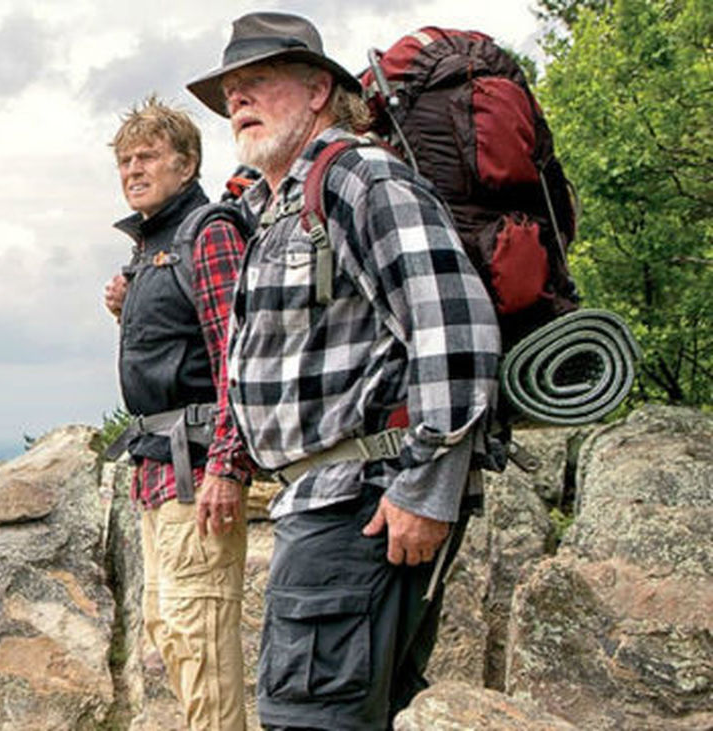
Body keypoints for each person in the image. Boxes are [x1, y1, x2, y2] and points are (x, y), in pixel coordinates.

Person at [185, 13, 501, 731]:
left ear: (319, 90)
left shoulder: (360, 177)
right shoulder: (276, 206)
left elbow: (454, 329)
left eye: (258, 81)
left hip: (361, 504)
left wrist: (428, 487)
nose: (238, 101)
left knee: (309, 716)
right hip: (326, 503)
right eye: (231, 92)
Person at [102, 95, 254, 731]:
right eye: (125, 161)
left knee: (199, 635)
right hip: (158, 467)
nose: (134, 170)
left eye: (149, 156)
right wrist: (129, 304)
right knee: (170, 626)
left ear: (187, 164)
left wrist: (228, 466)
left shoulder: (208, 233)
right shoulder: (154, 246)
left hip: (197, 469)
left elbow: (235, 357)